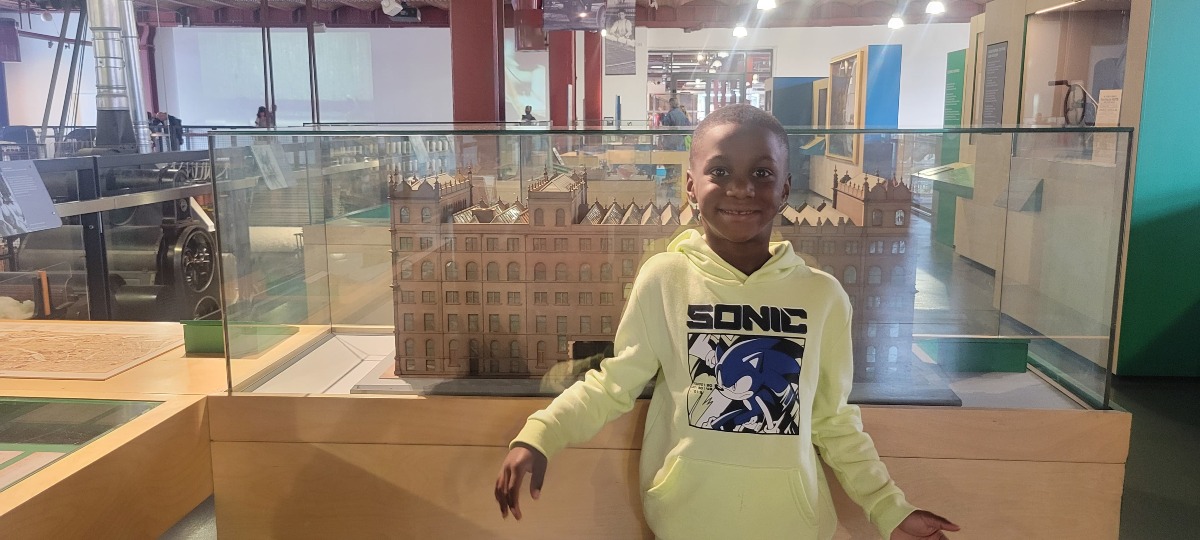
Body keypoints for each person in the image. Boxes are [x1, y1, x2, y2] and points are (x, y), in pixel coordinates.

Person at [494, 104, 959, 540]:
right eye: (720, 171)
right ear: (691, 185)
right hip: (685, 521)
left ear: (784, 188)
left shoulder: (822, 297)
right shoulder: (664, 278)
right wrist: (542, 435)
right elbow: (614, 382)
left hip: (793, 524)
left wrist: (888, 507)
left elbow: (833, 421)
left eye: (762, 173)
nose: (741, 188)